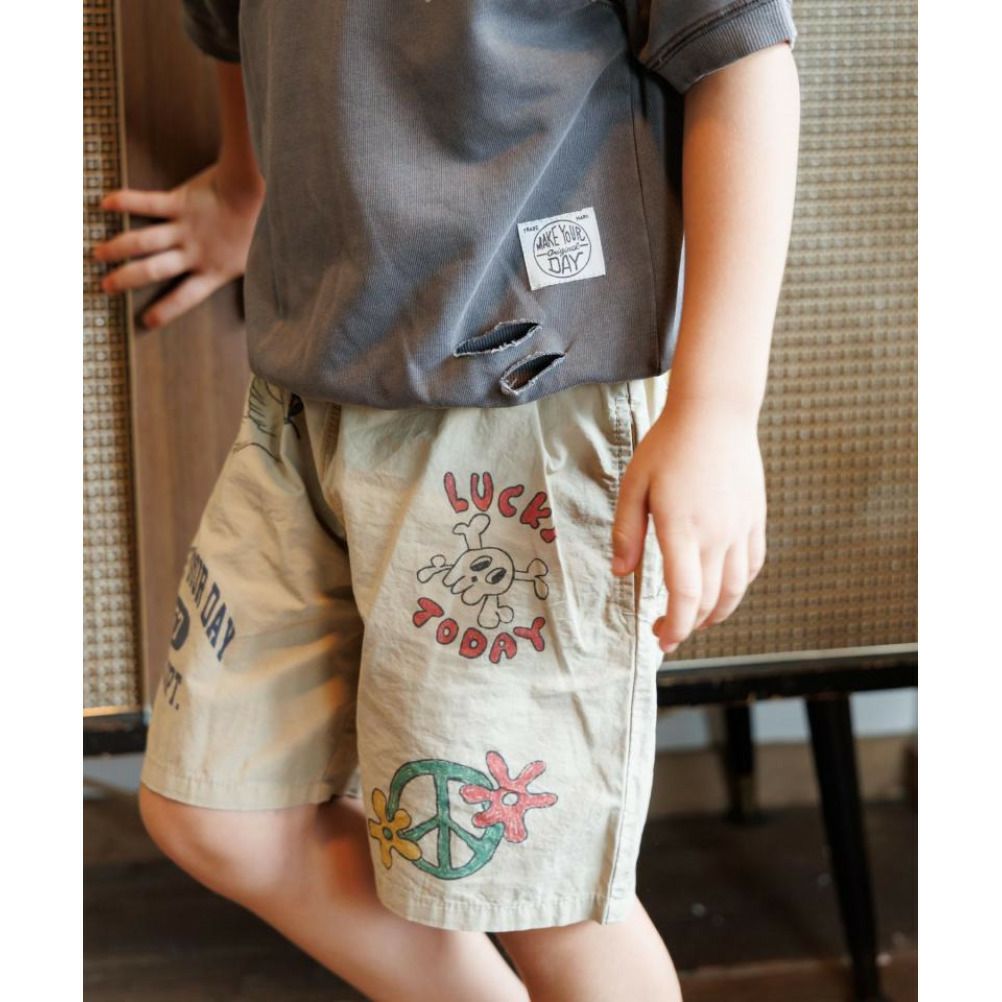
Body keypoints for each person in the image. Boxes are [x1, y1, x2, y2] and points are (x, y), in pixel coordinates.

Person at [93, 2, 800, 999]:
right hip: (307, 396)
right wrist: (242, 190)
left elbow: (741, 59)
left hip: (523, 403)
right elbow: (235, 24)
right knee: (218, 814)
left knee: (541, 896)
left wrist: (717, 411)